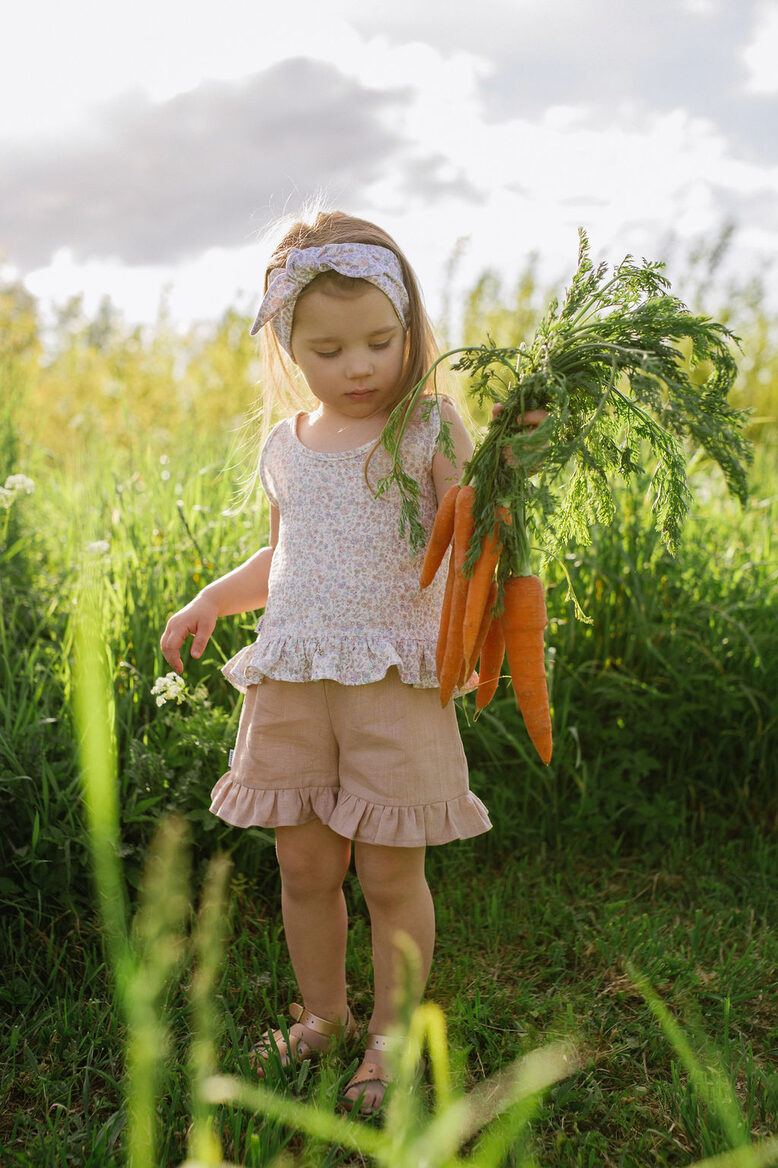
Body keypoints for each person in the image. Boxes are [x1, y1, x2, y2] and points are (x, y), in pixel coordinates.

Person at [160, 210, 495, 1115]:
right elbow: (285, 560)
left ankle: (390, 1041)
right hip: (295, 684)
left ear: (410, 329)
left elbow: (472, 536)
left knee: (389, 873)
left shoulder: (426, 430)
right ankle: (324, 1017)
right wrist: (209, 602)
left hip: (394, 686)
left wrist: (507, 472)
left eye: (380, 342)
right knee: (305, 867)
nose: (357, 367)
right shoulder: (287, 448)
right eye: (328, 348)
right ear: (288, 348)